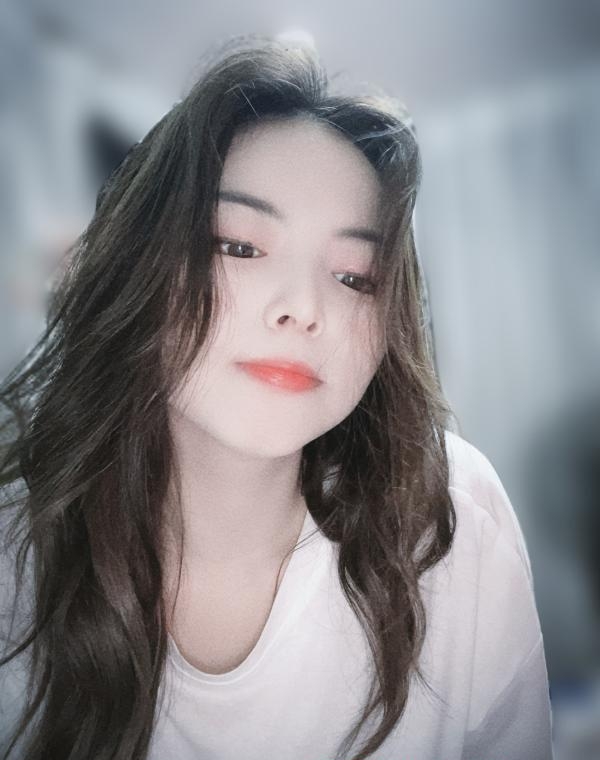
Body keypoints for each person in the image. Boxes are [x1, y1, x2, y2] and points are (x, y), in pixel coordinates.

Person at [0, 34, 553, 760]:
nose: (304, 308)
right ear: (140, 265)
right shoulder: (15, 555)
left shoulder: (449, 515)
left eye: (354, 277)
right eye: (240, 246)